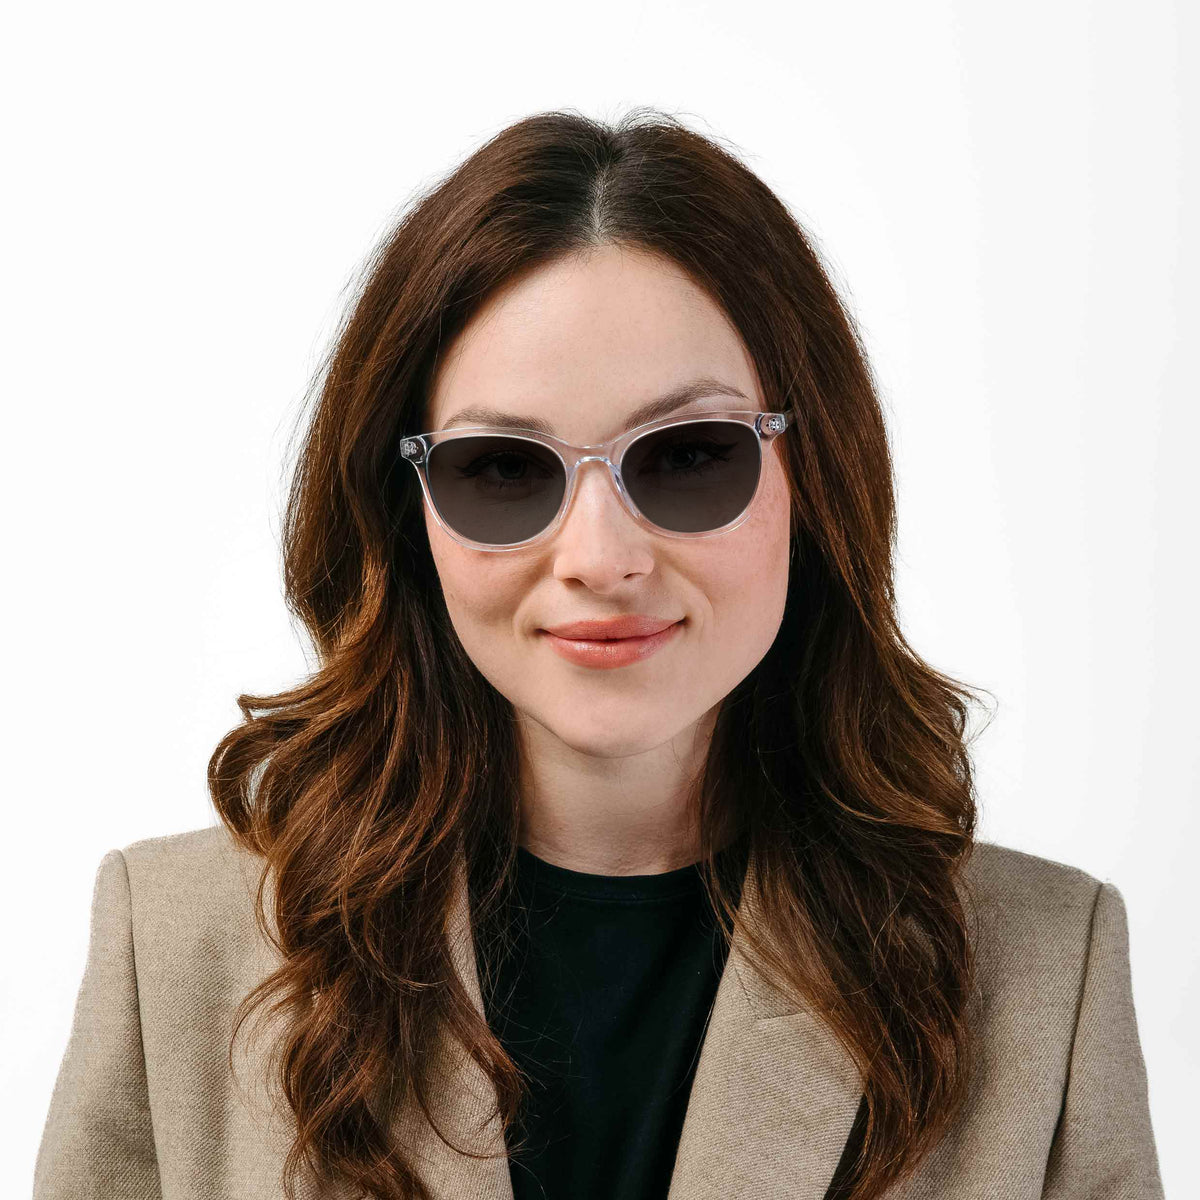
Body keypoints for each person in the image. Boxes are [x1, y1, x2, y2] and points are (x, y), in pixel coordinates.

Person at [33, 108, 1164, 1200]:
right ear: (405, 512)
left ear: (815, 478)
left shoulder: (1042, 976)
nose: (601, 558)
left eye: (688, 456)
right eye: (502, 469)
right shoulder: (175, 947)